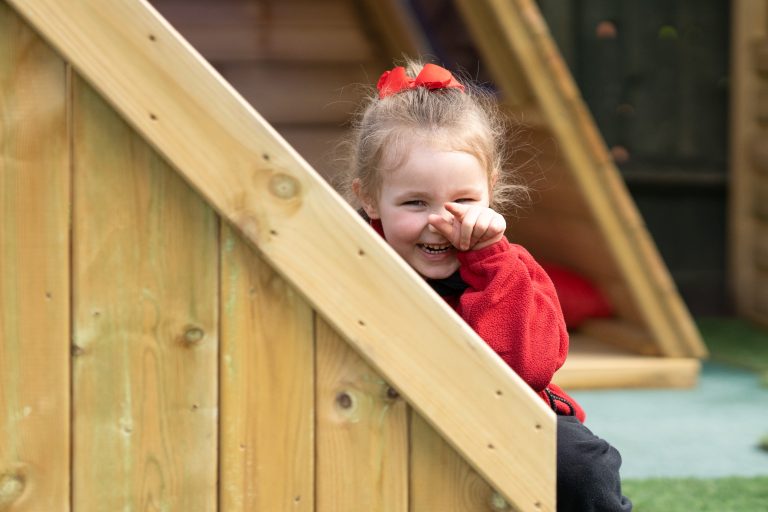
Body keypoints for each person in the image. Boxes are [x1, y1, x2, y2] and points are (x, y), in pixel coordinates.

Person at [337, 60, 632, 511]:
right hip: (381, 413)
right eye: (415, 202)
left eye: (463, 201)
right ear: (369, 198)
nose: (440, 222)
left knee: (579, 464)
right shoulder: (350, 262)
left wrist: (488, 262)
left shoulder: (511, 268)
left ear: (490, 192)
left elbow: (528, 370)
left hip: (505, 414)